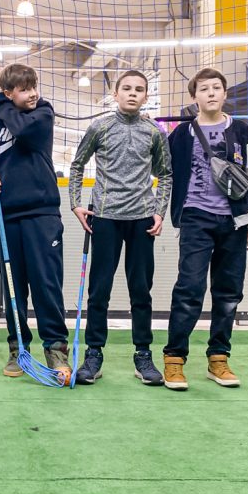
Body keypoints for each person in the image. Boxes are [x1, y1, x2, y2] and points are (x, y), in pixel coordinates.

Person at [162, 68, 248, 390]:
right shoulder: (181, 133)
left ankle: (218, 358)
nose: (210, 93)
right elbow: (161, 170)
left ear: (224, 93)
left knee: (228, 293)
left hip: (235, 221)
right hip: (195, 218)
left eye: (216, 87)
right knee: (189, 289)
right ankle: (174, 359)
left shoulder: (241, 130)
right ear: (194, 96)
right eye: (204, 88)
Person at [68, 69, 172, 386]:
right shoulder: (99, 127)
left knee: (141, 291)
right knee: (99, 291)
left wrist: (159, 211)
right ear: (115, 94)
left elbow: (166, 173)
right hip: (105, 218)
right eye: (126, 88)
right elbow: (77, 165)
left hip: (142, 220)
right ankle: (93, 354)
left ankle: (143, 354)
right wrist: (75, 203)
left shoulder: (153, 132)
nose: (132, 93)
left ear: (146, 96)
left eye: (139, 89)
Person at [0, 63, 70, 378]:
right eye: (24, 89)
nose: (33, 94)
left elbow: (24, 131)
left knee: (46, 284)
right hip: (5, 217)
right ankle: (19, 349)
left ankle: (56, 350)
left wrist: (1, 106)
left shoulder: (43, 113)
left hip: (42, 215)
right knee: (13, 288)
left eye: (34, 87)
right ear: (8, 92)